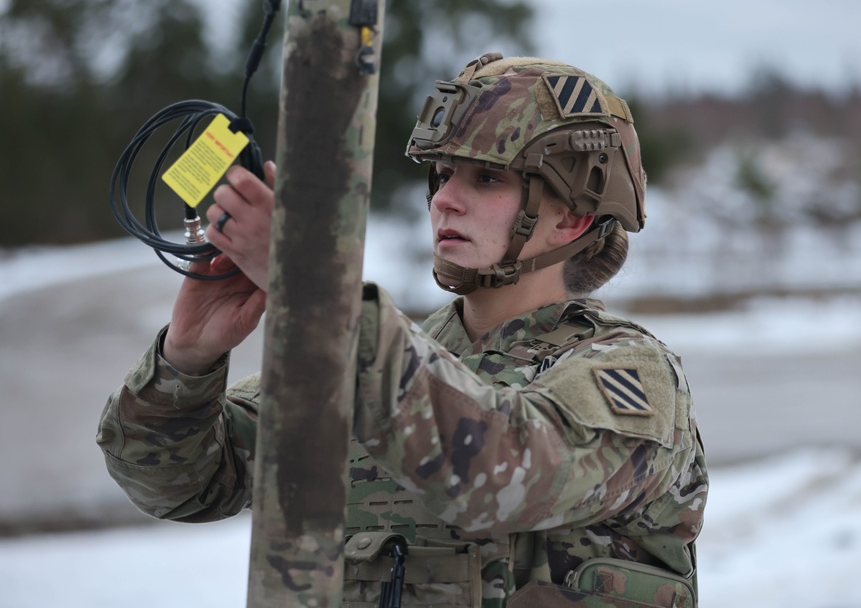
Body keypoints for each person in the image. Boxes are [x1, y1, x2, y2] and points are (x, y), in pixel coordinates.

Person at [97, 53, 708, 607]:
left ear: (573, 214)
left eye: (485, 178)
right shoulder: (385, 355)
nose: (445, 199)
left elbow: (495, 473)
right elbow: (178, 484)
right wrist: (188, 356)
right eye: (441, 175)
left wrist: (322, 299)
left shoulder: (630, 375)